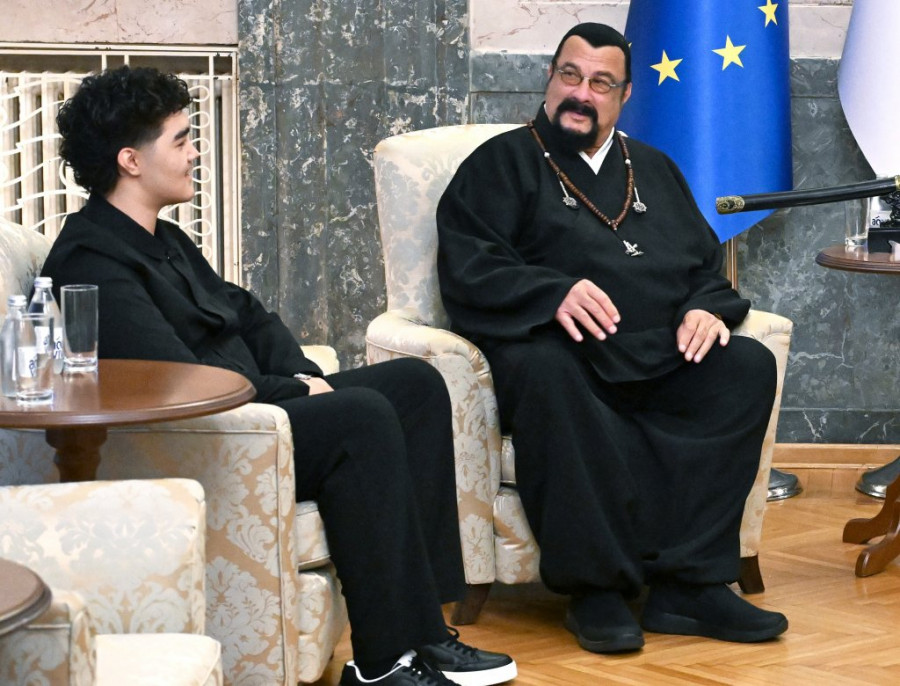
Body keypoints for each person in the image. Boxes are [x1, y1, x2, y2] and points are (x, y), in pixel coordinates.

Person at [42, 65, 516, 686]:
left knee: (417, 386)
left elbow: (247, 313)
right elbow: (182, 379)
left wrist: (301, 373)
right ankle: (383, 665)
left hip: (258, 407)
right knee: (361, 416)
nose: (193, 154)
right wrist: (294, 391)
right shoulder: (92, 260)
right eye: (181, 140)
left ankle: (425, 634)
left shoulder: (165, 238)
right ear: (130, 160)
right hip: (217, 431)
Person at [436, 22, 788, 654]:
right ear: (549, 78)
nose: (581, 93)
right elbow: (469, 267)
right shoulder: (501, 162)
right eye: (570, 75)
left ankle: (689, 585)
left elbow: (704, 267)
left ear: (624, 96)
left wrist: (705, 309)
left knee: (746, 366)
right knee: (548, 372)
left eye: (601, 83)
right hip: (561, 353)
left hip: (658, 352)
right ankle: (594, 591)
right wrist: (553, 293)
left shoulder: (652, 167)